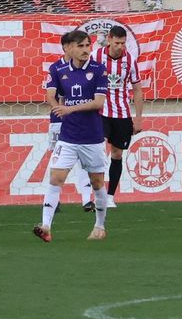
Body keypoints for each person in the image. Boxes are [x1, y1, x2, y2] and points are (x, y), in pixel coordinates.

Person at [35, 30, 111, 242]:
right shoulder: (59, 70)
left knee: (97, 183)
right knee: (55, 178)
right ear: (68, 48)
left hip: (92, 137)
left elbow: (98, 103)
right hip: (68, 137)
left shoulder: (98, 70)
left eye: (88, 45)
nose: (86, 50)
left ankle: (99, 226)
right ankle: (46, 226)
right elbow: (51, 94)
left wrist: (69, 109)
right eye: (81, 46)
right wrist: (56, 106)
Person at [98, 25, 142, 200]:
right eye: (116, 43)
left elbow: (137, 90)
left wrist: (138, 119)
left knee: (117, 154)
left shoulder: (130, 60)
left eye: (123, 43)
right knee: (98, 151)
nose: (119, 47)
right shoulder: (96, 56)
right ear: (109, 40)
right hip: (100, 111)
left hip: (122, 113)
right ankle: (98, 194)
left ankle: (110, 197)